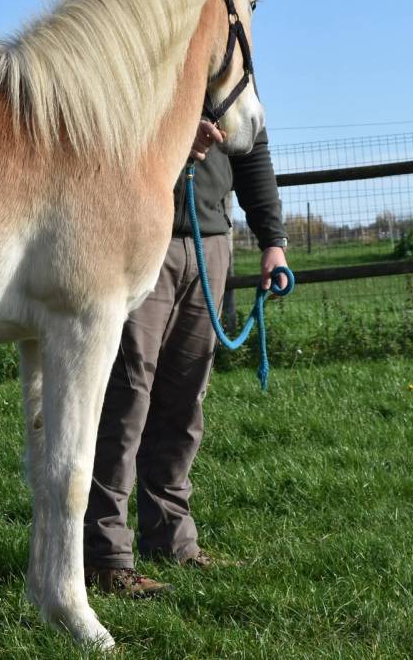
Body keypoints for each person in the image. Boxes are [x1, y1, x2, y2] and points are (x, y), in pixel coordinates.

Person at [83, 119, 289, 597]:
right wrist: (173, 133)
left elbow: (252, 148)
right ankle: (104, 555)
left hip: (209, 242)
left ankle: (172, 540)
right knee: (125, 399)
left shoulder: (233, 82)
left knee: (184, 400)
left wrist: (272, 241)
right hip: (137, 236)